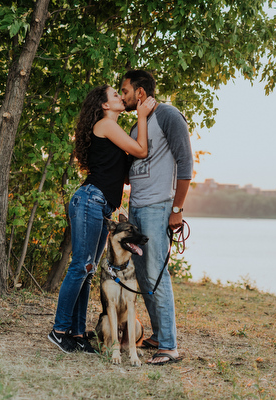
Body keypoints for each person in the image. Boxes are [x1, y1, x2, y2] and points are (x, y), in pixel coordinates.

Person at [48, 84, 155, 353]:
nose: (121, 97)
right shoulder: (106, 124)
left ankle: (76, 333)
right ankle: (59, 330)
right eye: (115, 95)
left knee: (89, 269)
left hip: (100, 205)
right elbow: (141, 150)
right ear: (105, 105)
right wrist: (142, 116)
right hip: (89, 200)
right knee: (81, 266)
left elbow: (126, 170)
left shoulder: (111, 132)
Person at [120, 70, 193, 365]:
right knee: (143, 274)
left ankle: (169, 346)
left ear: (139, 92)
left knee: (157, 274)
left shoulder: (168, 115)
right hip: (137, 207)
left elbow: (186, 163)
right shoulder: (140, 123)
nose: (122, 95)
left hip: (158, 206)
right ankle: (159, 335)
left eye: (125, 90)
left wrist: (177, 209)